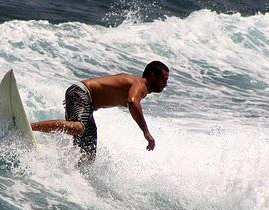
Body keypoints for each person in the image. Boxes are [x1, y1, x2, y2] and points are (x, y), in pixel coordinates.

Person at [31, 60, 169, 165]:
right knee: (77, 127)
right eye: (163, 79)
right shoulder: (140, 85)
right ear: (152, 75)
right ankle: (30, 127)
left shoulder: (133, 82)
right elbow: (132, 102)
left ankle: (70, 172)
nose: (165, 84)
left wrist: (75, 98)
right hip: (83, 93)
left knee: (89, 153)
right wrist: (146, 132)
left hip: (84, 99)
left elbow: (105, 85)